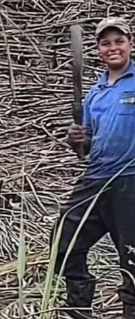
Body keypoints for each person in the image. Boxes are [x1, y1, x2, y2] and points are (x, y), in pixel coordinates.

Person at [50, 16, 135, 319]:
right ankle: (80, 306)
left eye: (119, 41)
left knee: (133, 260)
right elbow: (84, 148)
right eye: (105, 43)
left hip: (130, 182)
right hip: (95, 179)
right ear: (98, 49)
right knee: (64, 242)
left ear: (130, 44)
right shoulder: (94, 93)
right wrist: (75, 138)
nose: (113, 48)